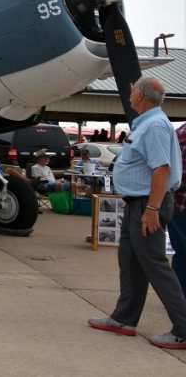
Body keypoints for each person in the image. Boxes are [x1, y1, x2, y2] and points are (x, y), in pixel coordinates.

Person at [89, 77, 186, 350]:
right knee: (130, 262)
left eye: (132, 90)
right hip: (138, 203)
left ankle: (183, 329)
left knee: (155, 265)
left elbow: (162, 170)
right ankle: (124, 319)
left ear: (141, 96)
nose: (129, 93)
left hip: (148, 204)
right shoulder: (146, 124)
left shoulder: (154, 126)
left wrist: (152, 209)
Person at [171, 123, 186, 296]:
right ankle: (177, 297)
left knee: (182, 254)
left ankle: (176, 296)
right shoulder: (183, 134)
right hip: (181, 206)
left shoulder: (179, 132)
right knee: (183, 254)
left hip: (177, 204)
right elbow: (179, 176)